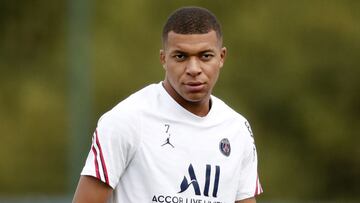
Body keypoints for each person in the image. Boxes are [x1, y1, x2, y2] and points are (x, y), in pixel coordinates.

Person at [72, 6, 263, 203]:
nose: (193, 69)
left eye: (205, 56)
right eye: (181, 56)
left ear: (221, 57)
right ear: (164, 59)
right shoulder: (127, 119)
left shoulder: (237, 128)